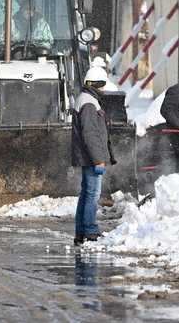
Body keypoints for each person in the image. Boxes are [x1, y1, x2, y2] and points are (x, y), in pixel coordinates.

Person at [72, 66, 114, 245]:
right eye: (103, 85)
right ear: (98, 84)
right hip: (91, 158)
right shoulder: (90, 102)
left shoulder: (85, 99)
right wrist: (98, 159)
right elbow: (90, 134)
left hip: (87, 156)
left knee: (86, 193)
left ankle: (82, 230)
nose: (104, 90)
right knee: (92, 194)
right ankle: (90, 230)